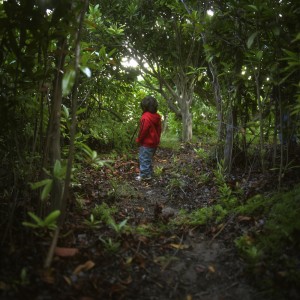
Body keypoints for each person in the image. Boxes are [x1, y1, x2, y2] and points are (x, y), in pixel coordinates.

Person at [135, 95, 162, 181]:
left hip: (146, 143)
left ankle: (145, 175)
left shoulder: (145, 117)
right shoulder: (157, 116)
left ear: (144, 106)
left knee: (143, 158)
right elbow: (159, 130)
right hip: (154, 143)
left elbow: (143, 130)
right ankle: (149, 173)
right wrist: (157, 139)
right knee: (148, 158)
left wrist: (139, 139)